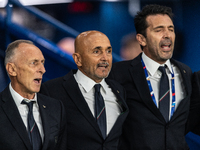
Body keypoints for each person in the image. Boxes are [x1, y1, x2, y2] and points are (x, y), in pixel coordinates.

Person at [108, 4, 192, 150]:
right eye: (159, 30)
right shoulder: (117, 74)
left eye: (170, 29)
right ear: (141, 39)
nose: (167, 35)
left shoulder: (185, 72)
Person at [40, 30, 129, 150]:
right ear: (78, 59)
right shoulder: (51, 91)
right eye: (96, 52)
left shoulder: (120, 89)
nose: (105, 58)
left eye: (108, 51)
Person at [0, 40, 67, 150]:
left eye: (42, 62)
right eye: (33, 63)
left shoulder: (56, 108)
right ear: (12, 69)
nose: (42, 70)